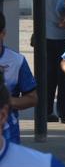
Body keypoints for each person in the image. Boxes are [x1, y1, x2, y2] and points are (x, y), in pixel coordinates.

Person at [0, 13, 38, 146]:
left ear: (3, 34)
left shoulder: (17, 61)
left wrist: (5, 100)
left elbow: (32, 98)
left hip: (8, 137)